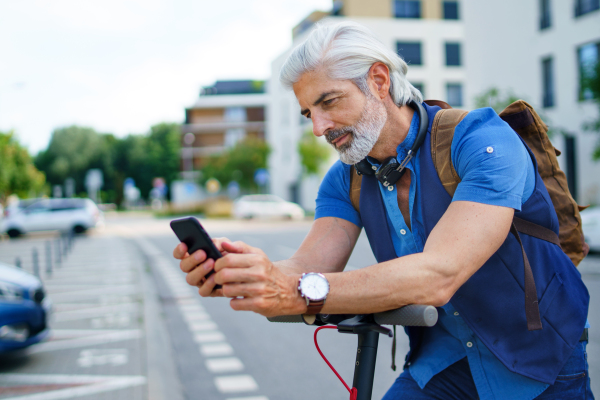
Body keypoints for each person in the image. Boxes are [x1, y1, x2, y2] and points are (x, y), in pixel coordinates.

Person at [173, 21, 593, 399]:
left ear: (378, 80)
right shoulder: (345, 178)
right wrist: (245, 274)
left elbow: (438, 274)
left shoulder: (482, 140)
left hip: (540, 363)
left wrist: (296, 292)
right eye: (308, 113)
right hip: (442, 366)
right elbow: (307, 266)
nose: (319, 127)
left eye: (330, 101)